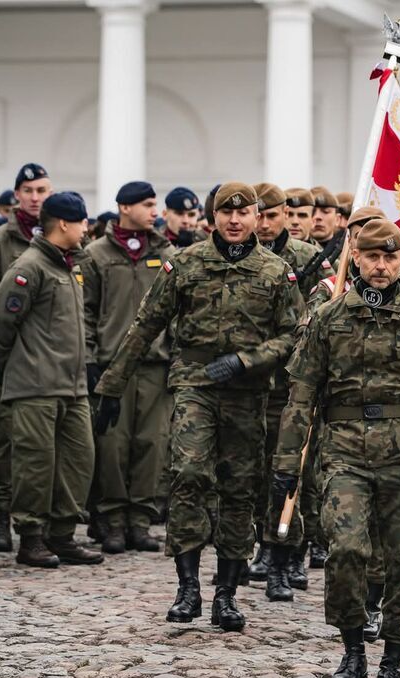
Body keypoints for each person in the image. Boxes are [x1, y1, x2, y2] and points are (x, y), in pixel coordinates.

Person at [273, 218, 400, 678]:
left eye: (389, 257)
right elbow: (301, 394)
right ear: (355, 257)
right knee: (346, 550)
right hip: (345, 453)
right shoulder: (329, 318)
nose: (380, 266)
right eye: (371, 256)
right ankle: (353, 649)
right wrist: (286, 464)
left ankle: (394, 664)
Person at [94, 182, 301, 630]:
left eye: (243, 213)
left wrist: (248, 360)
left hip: (247, 392)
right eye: (226, 213)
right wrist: (112, 385)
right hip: (195, 383)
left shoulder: (275, 271)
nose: (234, 221)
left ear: (255, 217)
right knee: (188, 474)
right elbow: (146, 324)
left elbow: (292, 334)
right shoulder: (185, 263)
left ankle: (226, 594)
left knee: (240, 488)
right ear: (213, 218)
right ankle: (187, 587)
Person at [0, 191, 102, 569]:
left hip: (72, 385)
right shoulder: (30, 266)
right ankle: (31, 537)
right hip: (36, 385)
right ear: (64, 224)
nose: (86, 227)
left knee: (78, 460)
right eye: (82, 221)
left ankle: (62, 535)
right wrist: (7, 366)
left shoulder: (69, 265)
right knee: (35, 464)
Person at [81, 181, 175, 555]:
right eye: (147, 204)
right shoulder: (96, 254)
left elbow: (179, 310)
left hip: (155, 364)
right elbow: (86, 311)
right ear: (124, 207)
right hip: (112, 364)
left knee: (152, 444)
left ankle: (140, 521)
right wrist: (90, 358)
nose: (155, 211)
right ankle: (113, 520)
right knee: (112, 446)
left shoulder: (167, 253)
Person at [248, 182, 326, 598]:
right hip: (250, 379)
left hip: (292, 382)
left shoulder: (308, 257)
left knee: (291, 471)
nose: (264, 224)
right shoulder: (241, 256)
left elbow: (325, 309)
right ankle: (260, 544)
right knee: (254, 472)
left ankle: (288, 551)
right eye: (258, 216)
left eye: (272, 216)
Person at [0, 162, 52, 553]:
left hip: (48, 359)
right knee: (5, 442)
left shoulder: (60, 236)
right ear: (17, 195)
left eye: (42, 191)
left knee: (44, 447)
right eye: (29, 191)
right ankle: (1, 519)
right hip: (10, 358)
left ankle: (41, 523)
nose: (35, 198)